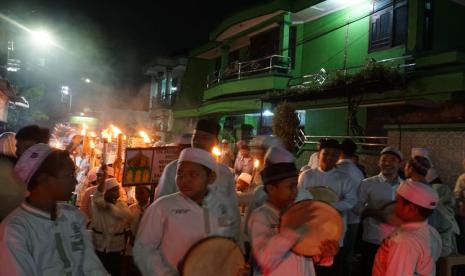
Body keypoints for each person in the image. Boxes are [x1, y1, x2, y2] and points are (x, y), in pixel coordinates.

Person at [0, 143, 107, 275]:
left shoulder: (73, 216)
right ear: (45, 179)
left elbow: (92, 267)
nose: (76, 181)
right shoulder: (16, 230)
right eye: (70, 174)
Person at [133, 148, 240, 275]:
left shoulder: (222, 207)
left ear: (211, 178)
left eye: (193, 175)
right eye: (180, 174)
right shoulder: (162, 207)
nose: (185, 180)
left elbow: (227, 244)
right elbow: (143, 248)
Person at [248, 160, 338, 275]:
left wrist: (324, 254)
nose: (295, 192)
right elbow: (266, 260)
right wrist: (292, 228)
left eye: (296, 186)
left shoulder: (299, 213)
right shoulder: (260, 217)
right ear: (271, 189)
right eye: (290, 187)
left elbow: (311, 252)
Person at [154, 119, 238, 217]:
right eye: (196, 137)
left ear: (216, 142)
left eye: (205, 138)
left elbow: (231, 208)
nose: (198, 141)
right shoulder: (173, 168)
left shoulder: (224, 172)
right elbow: (160, 206)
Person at [298, 138, 356, 276]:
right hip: (311, 229)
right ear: (318, 155)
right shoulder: (306, 176)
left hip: (335, 230)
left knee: (331, 268)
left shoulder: (344, 178)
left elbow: (352, 201)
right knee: (309, 267)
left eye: (334, 154)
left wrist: (328, 206)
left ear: (338, 157)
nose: (330, 157)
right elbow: (298, 201)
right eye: (326, 153)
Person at [372, 180, 442, 275]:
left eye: (398, 202)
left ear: (410, 209)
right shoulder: (432, 231)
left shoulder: (405, 242)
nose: (395, 206)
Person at [354, 146, 403, 276]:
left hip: (399, 240)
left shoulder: (406, 186)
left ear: (400, 164)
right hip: (373, 239)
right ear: (379, 162)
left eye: (392, 160)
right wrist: (371, 212)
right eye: (384, 159)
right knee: (370, 270)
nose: (387, 163)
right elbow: (356, 207)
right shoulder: (367, 183)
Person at [90, 177, 132, 276]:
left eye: (117, 190)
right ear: (107, 192)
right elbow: (96, 197)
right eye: (114, 190)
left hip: (116, 247)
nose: (117, 192)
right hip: (100, 246)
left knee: (114, 271)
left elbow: (128, 216)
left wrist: (111, 206)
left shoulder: (121, 204)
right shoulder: (99, 205)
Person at [336, 138, 364, 276]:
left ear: (340, 152)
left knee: (336, 253)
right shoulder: (358, 172)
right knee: (348, 253)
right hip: (354, 218)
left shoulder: (336, 169)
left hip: (337, 217)